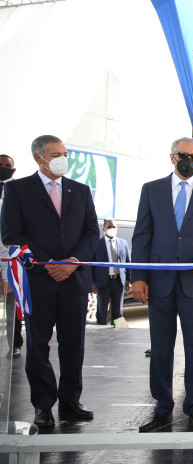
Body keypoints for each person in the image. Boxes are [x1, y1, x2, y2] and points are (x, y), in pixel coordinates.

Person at [1, 135, 100, 428]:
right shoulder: (17, 190)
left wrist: (72, 262)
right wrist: (48, 264)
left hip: (74, 280)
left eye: (65, 154)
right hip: (37, 281)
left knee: (73, 345)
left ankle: (70, 401)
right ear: (38, 158)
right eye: (56, 154)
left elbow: (91, 232)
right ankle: (43, 405)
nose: (63, 159)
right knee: (38, 346)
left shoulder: (80, 190)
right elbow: (12, 234)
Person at [132, 136, 193, 432]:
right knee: (161, 347)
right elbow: (142, 235)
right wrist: (138, 277)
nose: (190, 162)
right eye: (185, 155)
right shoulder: (151, 190)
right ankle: (162, 408)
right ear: (173, 157)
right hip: (159, 281)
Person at [0, 154, 24, 357]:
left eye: (7, 165)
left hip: (11, 258)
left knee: (12, 306)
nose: (4, 168)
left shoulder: (20, 191)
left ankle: (14, 343)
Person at [91, 219, 131, 326]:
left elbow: (128, 262)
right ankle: (101, 328)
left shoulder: (123, 243)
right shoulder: (97, 244)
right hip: (103, 281)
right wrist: (93, 282)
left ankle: (115, 327)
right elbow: (92, 264)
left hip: (118, 280)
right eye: (109, 227)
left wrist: (129, 280)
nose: (112, 229)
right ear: (104, 229)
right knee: (102, 309)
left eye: (114, 227)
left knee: (117, 310)